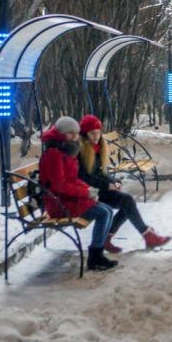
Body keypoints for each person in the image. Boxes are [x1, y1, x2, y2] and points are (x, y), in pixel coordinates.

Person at [77, 115, 171, 253]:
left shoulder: (98, 147)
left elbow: (102, 172)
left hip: (96, 191)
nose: (96, 136)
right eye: (92, 133)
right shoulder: (81, 150)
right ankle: (146, 235)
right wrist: (107, 185)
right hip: (86, 194)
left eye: (98, 132)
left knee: (127, 202)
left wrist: (113, 181)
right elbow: (85, 178)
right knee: (127, 202)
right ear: (85, 134)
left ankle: (109, 238)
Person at [38, 116, 116, 271]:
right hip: (57, 202)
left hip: (67, 198)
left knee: (107, 210)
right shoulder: (54, 153)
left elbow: (73, 178)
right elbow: (59, 185)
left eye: (76, 133)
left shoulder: (67, 149)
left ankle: (97, 254)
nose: (75, 136)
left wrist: (87, 189)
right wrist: (84, 193)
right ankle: (95, 257)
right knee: (103, 213)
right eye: (70, 133)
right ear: (61, 134)